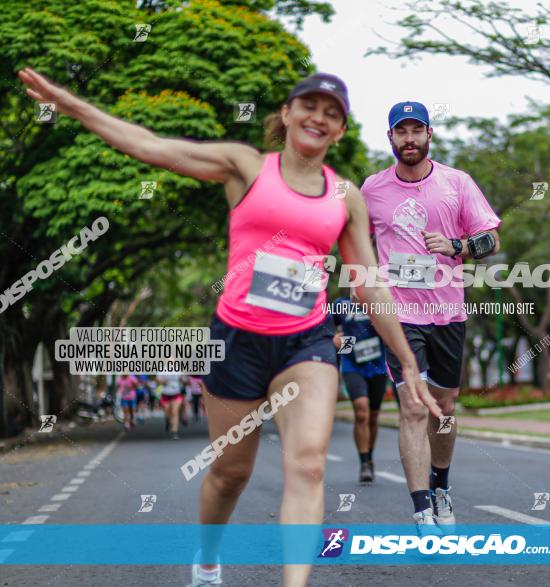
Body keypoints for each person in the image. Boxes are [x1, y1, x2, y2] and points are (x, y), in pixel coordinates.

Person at [17, 68, 440, 587]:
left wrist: (408, 362)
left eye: (333, 113)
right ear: (286, 115)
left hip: (306, 342)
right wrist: (71, 103)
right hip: (236, 340)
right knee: (229, 473)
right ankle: (209, 557)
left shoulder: (345, 197)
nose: (319, 117)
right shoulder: (245, 166)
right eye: (309, 106)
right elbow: (151, 146)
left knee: (307, 466)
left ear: (340, 131)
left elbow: (369, 285)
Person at [361, 101, 501, 533]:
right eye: (400, 132)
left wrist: (457, 247)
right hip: (398, 313)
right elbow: (353, 240)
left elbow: (491, 238)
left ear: (429, 135)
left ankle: (441, 486)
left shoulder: (457, 183)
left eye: (416, 131)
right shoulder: (371, 189)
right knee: (413, 406)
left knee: (444, 407)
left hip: (447, 311)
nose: (409, 139)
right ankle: (421, 507)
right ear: (389, 138)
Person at [331, 288, 389, 484]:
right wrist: (336, 340)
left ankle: (370, 456)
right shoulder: (340, 306)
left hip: (378, 367)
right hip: (352, 366)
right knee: (362, 411)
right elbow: (326, 329)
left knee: (373, 417)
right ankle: (364, 462)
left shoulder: (380, 305)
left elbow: (392, 330)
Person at [158, 371, 184, 440]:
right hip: (165, 395)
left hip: (176, 395)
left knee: (175, 412)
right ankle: (167, 421)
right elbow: (157, 382)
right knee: (167, 413)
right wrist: (164, 382)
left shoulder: (178, 370)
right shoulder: (162, 371)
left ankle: (174, 432)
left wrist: (183, 378)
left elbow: (183, 380)